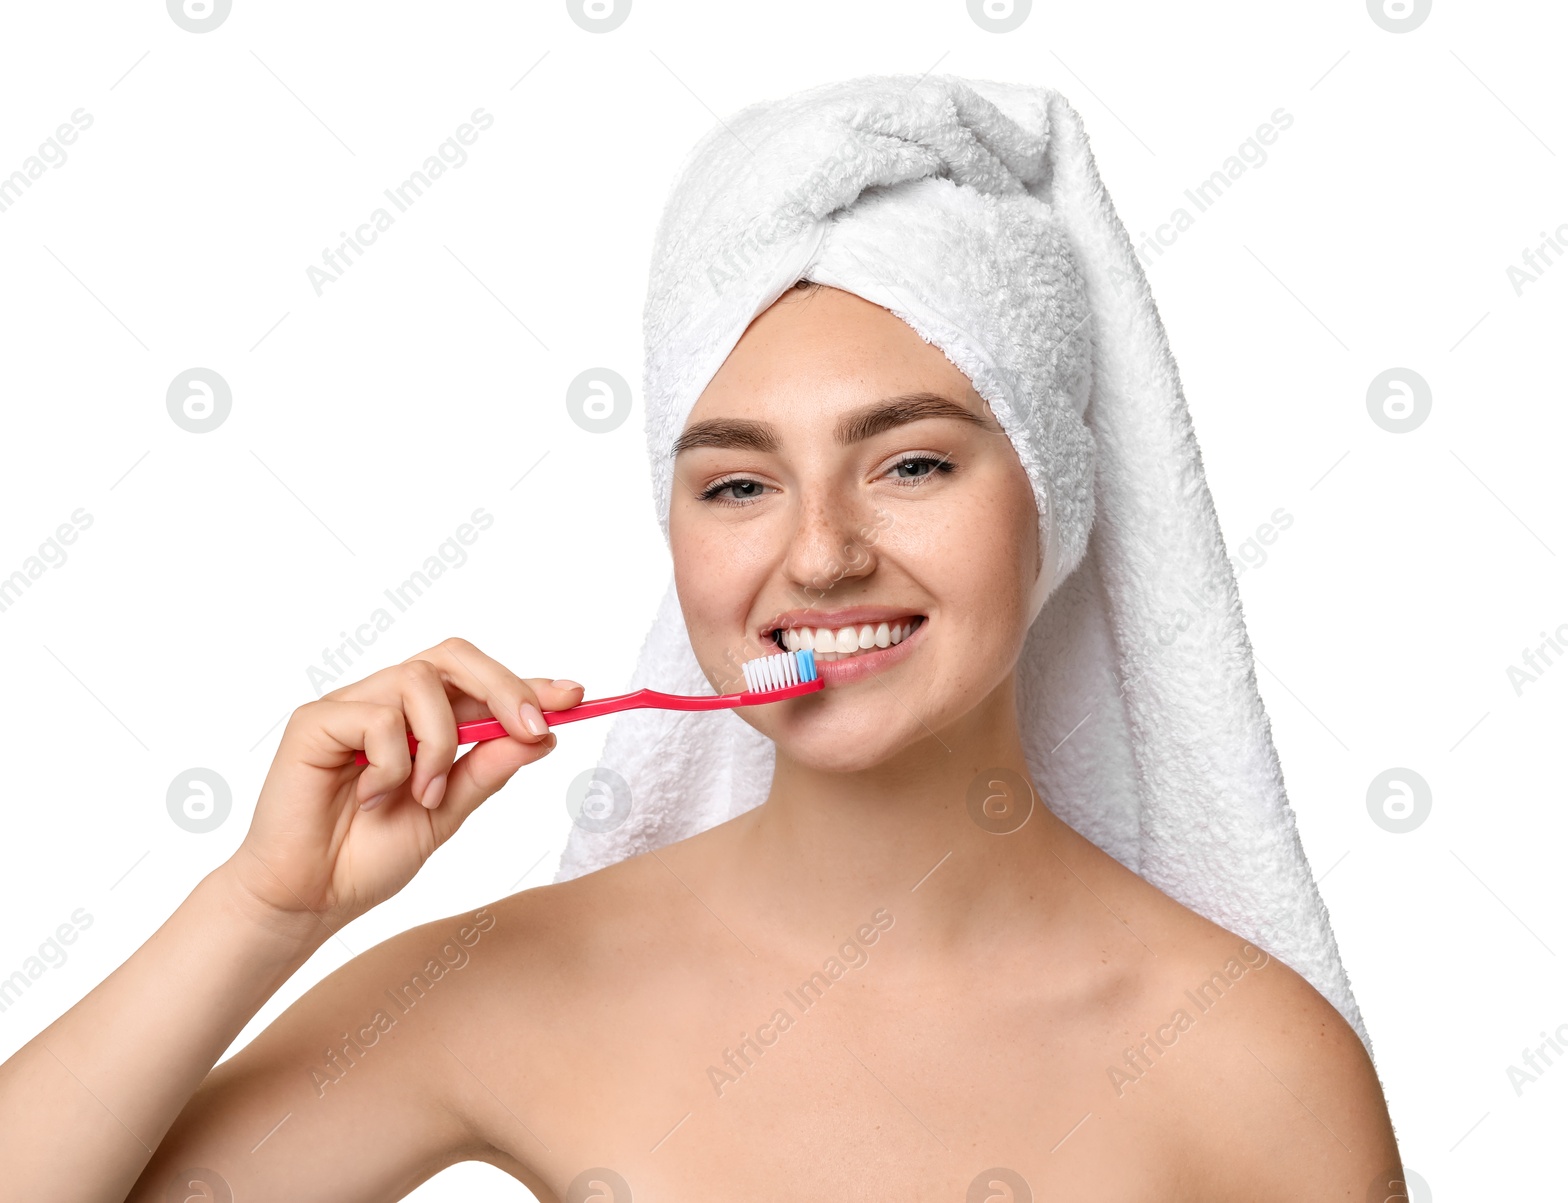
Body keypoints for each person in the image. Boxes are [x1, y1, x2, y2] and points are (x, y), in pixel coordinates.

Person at [0, 70, 1407, 1198]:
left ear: (1054, 492)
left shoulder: (1250, 1066)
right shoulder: (507, 985)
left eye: (911, 463)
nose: (819, 553)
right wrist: (263, 911)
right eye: (738, 484)